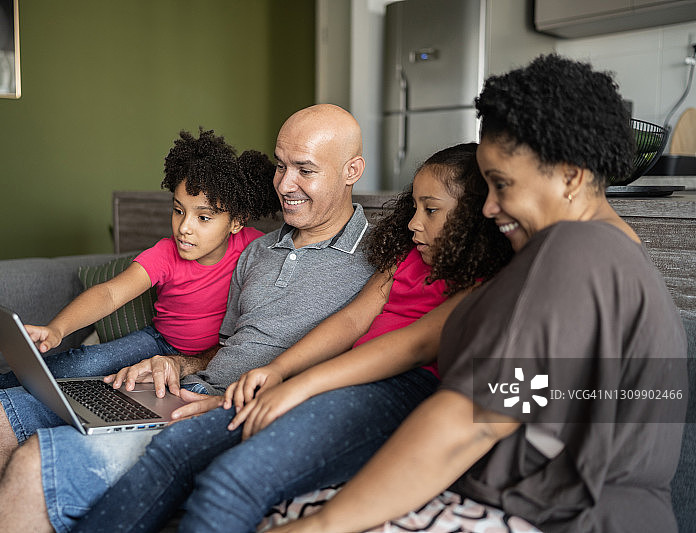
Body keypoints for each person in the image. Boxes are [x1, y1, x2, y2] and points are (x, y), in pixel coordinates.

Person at [266, 55, 689, 533]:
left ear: (571, 176)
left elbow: (474, 420)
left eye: (502, 184)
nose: (488, 207)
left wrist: (321, 526)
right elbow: (475, 369)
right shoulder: (610, 253)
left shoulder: (573, 250)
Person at [0, 104, 376, 533]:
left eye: (304, 170)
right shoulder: (258, 250)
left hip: (233, 412)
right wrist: (177, 364)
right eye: (280, 166)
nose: (284, 184)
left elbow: (372, 371)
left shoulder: (380, 261)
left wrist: (239, 400)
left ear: (352, 171)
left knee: (36, 462)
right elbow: (223, 346)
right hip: (182, 388)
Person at [63, 143, 514, 533]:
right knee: (172, 447)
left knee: (227, 482)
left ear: (477, 217)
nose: (413, 223)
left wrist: (297, 387)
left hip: (396, 388)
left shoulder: (487, 281)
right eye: (413, 207)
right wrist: (277, 371)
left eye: (430, 210)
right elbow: (351, 322)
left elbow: (413, 346)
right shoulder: (405, 256)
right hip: (337, 377)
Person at [0, 128, 279, 434]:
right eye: (178, 210)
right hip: (159, 340)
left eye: (203, 218)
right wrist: (58, 328)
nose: (184, 227)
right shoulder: (165, 254)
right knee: (84, 364)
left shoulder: (255, 250)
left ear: (236, 222)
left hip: (208, 359)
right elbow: (109, 295)